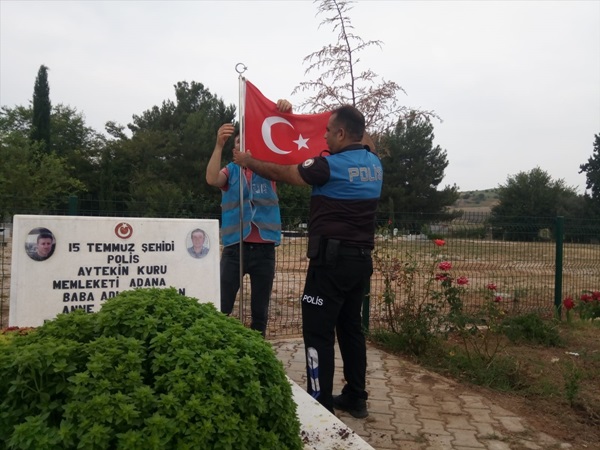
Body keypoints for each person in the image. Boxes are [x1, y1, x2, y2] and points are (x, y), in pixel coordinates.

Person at [233, 105, 382, 418]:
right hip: (360, 262)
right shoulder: (374, 163)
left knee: (318, 333)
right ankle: (356, 396)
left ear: (341, 134)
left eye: (329, 129)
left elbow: (284, 173)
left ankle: (320, 403)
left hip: (330, 263)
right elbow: (364, 136)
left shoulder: (327, 167)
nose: (324, 134)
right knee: (351, 329)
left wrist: (248, 162)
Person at [206, 99, 292, 337]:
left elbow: (288, 149)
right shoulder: (230, 171)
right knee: (222, 307)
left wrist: (285, 113)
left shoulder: (268, 169)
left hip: (264, 249)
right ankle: (219, 351)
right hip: (235, 247)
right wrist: (218, 145)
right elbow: (212, 179)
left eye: (247, 143)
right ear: (233, 149)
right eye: (237, 143)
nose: (242, 147)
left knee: (259, 313)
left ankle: (255, 356)